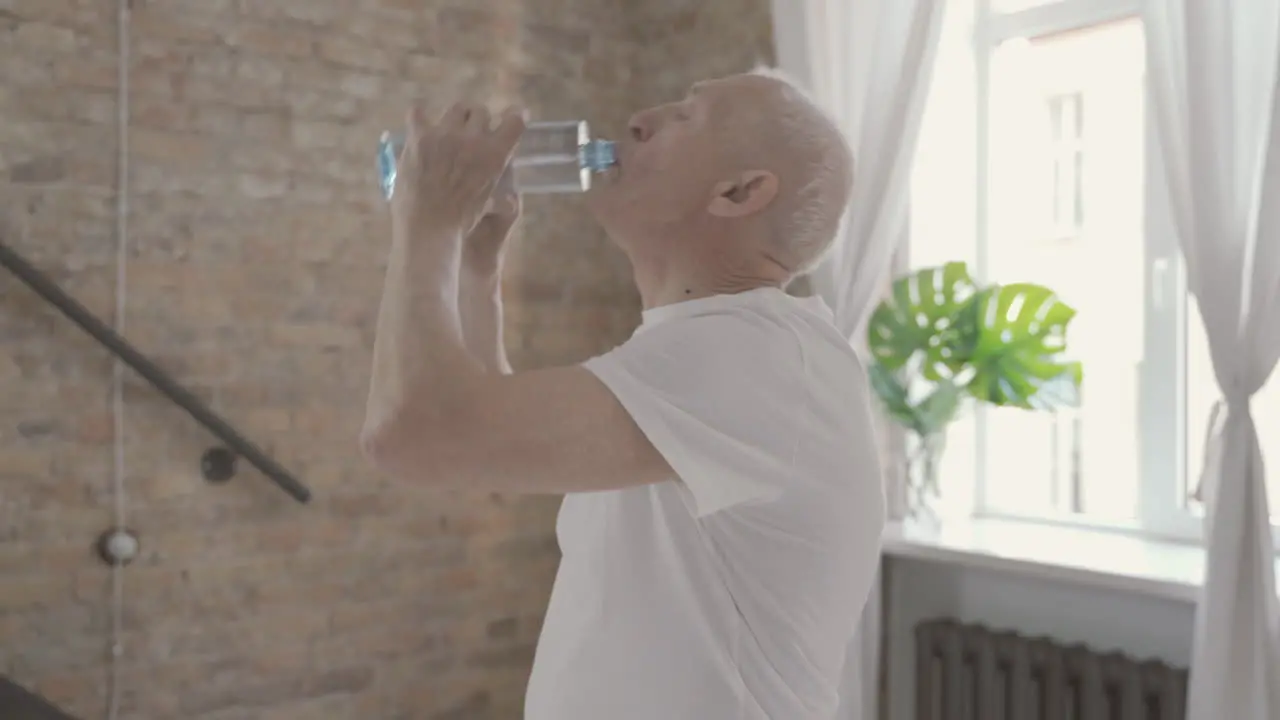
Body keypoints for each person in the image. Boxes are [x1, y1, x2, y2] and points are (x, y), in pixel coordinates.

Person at [360, 68, 885, 720]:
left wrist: (427, 223)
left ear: (740, 191)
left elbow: (412, 436)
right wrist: (475, 268)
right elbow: (488, 448)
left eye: (687, 116)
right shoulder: (701, 357)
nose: (640, 117)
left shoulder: (754, 355)